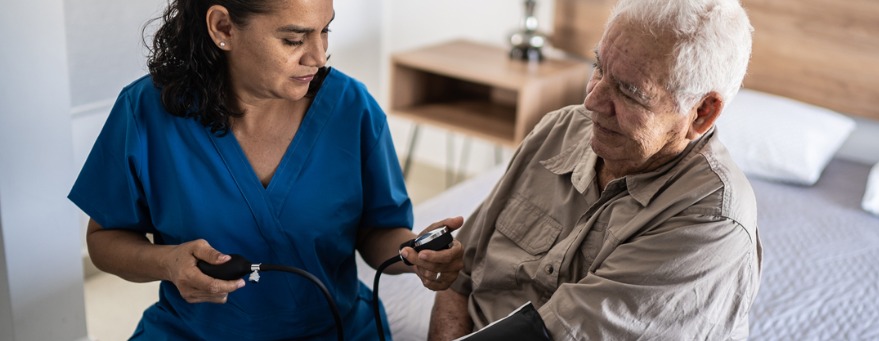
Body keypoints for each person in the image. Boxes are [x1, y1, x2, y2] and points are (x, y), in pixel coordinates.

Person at [68, 0, 464, 339]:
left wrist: (415, 256)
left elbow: (380, 231)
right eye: (293, 39)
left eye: (325, 31)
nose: (319, 57)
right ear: (223, 27)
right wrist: (167, 263)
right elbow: (105, 239)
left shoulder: (351, 109)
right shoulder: (146, 113)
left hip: (335, 330)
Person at [428, 0, 760, 340]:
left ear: (702, 112)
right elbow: (458, 278)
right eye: (599, 67)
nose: (592, 102)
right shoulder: (560, 129)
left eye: (630, 92)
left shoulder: (712, 221)